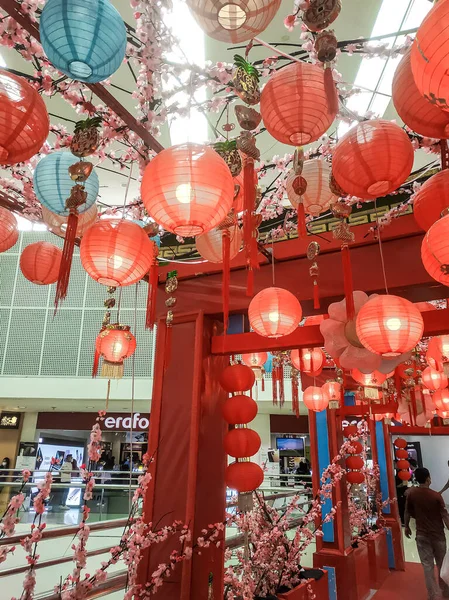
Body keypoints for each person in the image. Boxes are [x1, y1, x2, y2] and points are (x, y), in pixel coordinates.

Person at [405, 467, 449, 600]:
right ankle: (446, 592)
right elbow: (445, 516)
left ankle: (433, 595)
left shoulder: (412, 494)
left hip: (422, 536)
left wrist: (406, 526)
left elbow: (407, 512)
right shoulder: (436, 496)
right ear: (428, 478)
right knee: (442, 565)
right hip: (438, 537)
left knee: (427, 566)